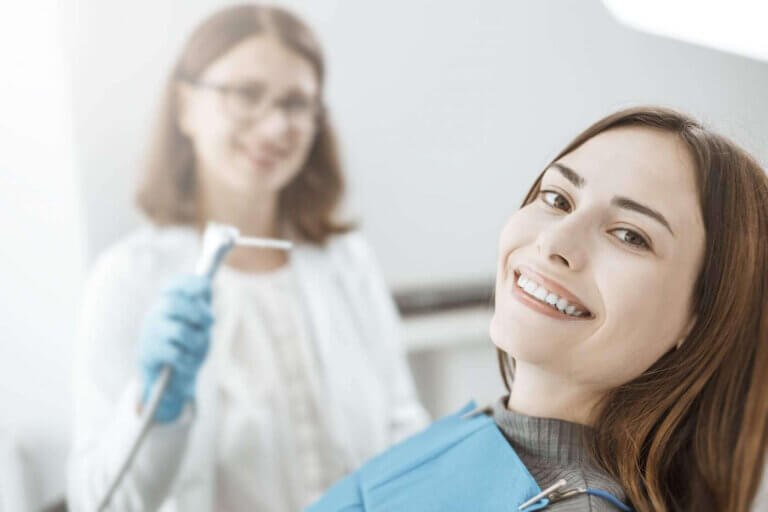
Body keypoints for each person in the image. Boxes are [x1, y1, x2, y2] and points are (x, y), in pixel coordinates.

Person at [306, 107, 768, 512]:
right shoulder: (486, 431)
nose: (555, 241)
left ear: (703, 317)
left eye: (629, 235)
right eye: (557, 199)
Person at [66, 5, 428, 511]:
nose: (276, 124)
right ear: (185, 105)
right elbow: (101, 501)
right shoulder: (128, 278)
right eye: (246, 95)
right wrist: (154, 409)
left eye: (297, 103)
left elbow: (402, 432)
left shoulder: (347, 263)